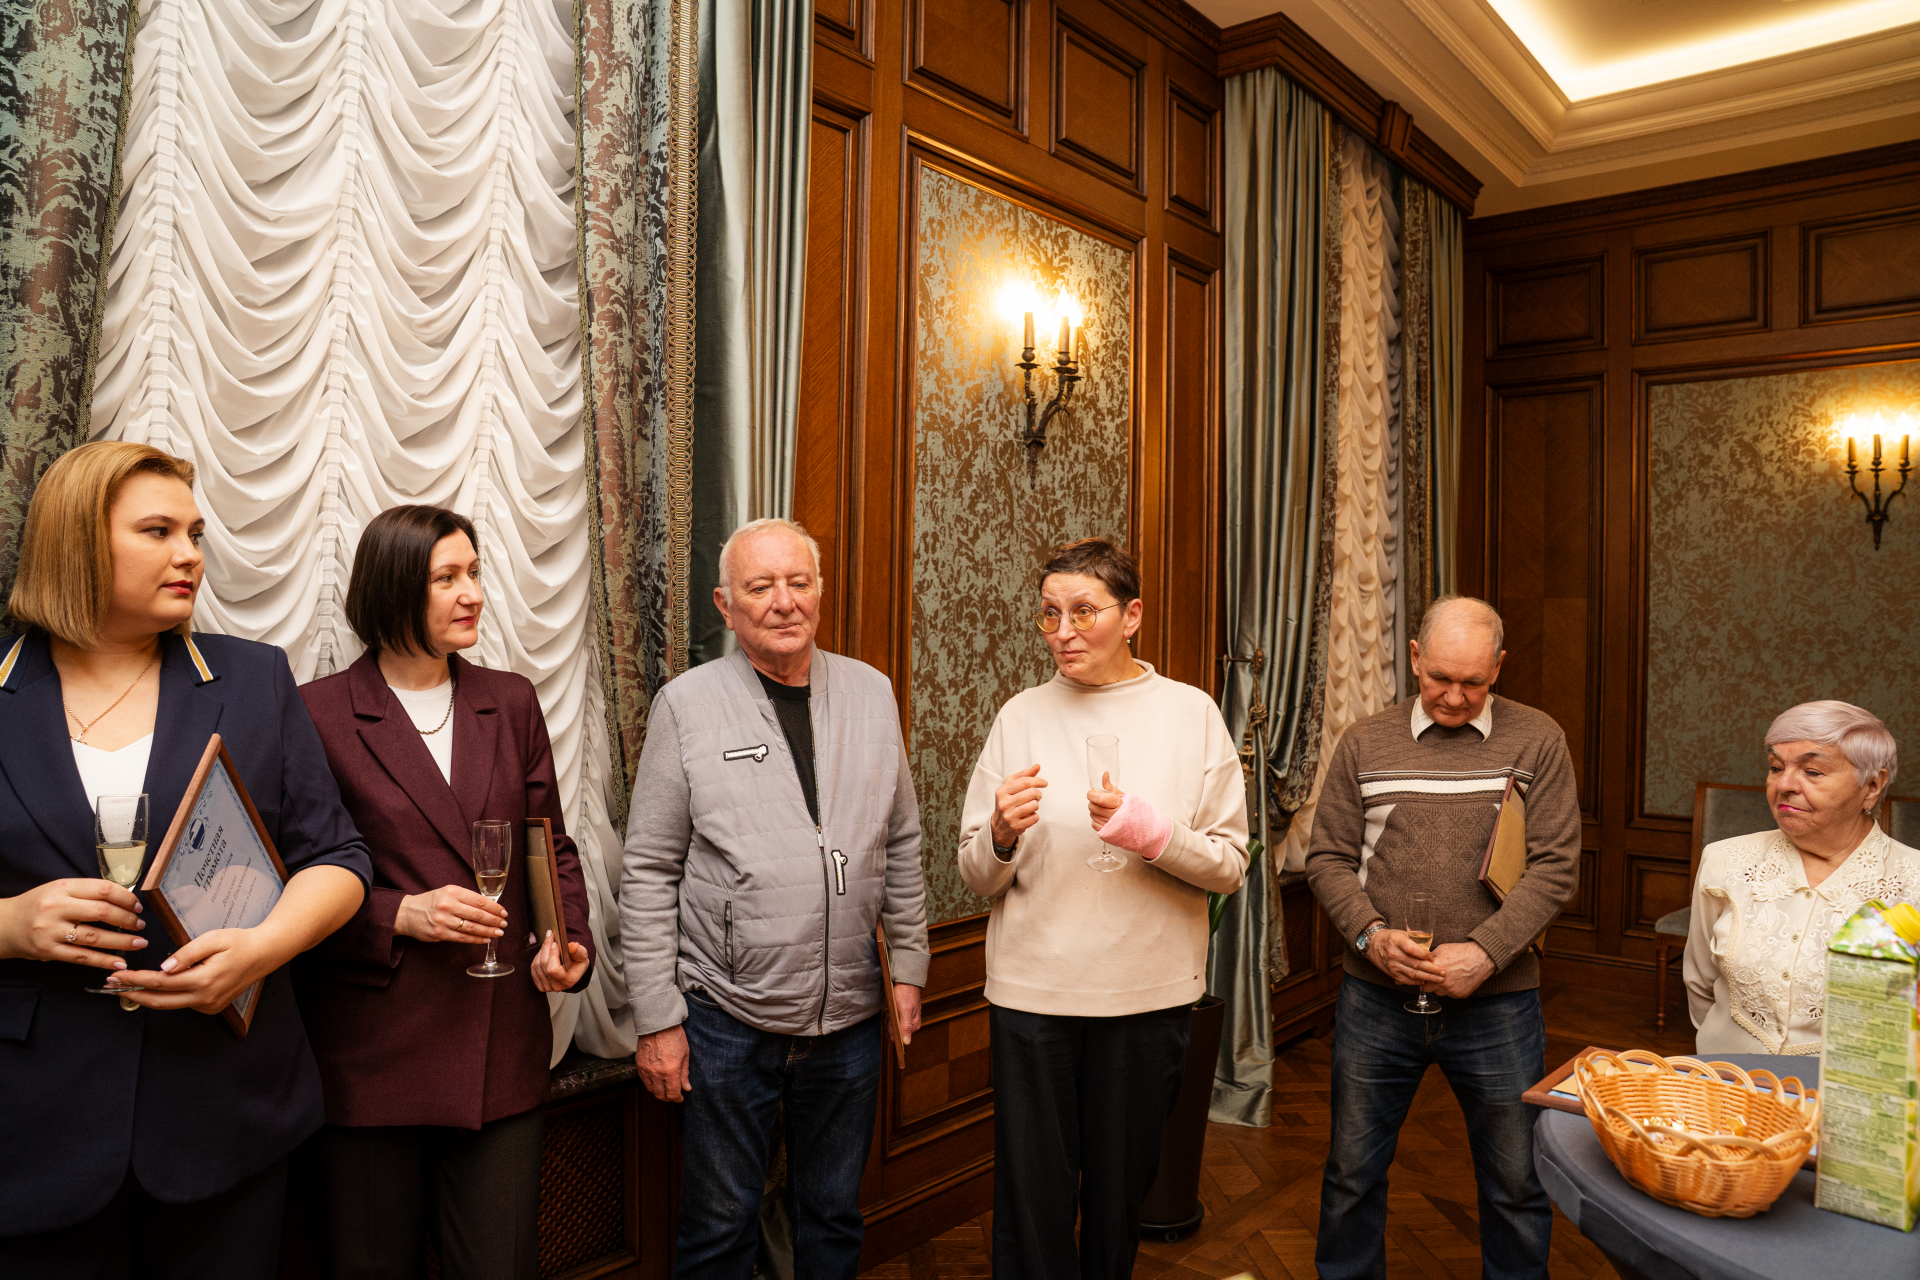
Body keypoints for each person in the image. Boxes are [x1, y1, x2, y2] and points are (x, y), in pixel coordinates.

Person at [0, 441, 371, 1277]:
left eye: (195, 533)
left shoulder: (254, 679)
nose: (191, 555)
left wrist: (263, 948)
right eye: (158, 531)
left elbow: (339, 858)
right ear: (74, 541)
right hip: (30, 1124)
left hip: (224, 1110)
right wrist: (11, 925)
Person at [619, 516, 929, 1279]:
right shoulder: (686, 706)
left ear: (820, 590)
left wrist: (910, 970)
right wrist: (656, 1018)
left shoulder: (872, 692)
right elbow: (649, 869)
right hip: (727, 1020)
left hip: (851, 1017)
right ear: (725, 605)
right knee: (720, 1227)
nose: (784, 602)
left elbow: (902, 842)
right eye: (761, 587)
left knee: (833, 1217)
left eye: (799, 582)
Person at [296, 505, 595, 1280]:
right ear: (394, 587)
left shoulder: (511, 700)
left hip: (500, 1047)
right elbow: (285, 878)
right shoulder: (317, 713)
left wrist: (566, 939)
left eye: (475, 573)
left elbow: (548, 845)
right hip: (370, 1054)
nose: (474, 594)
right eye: (447, 578)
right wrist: (400, 913)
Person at [956, 537, 1248, 1279]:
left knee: (1118, 1202)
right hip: (1033, 996)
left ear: (1132, 616)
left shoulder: (1191, 714)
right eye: (1049, 614)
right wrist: (999, 834)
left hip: (1144, 998)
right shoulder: (1020, 716)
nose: (1063, 632)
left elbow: (1229, 866)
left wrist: (1151, 833)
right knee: (1032, 1203)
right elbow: (975, 875)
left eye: (1084, 611)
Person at [1304, 595, 1579, 1280]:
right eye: (1440, 679)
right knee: (1350, 1176)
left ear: (1499, 668)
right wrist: (1371, 938)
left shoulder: (1538, 739)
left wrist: (1485, 954)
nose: (1455, 697)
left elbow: (1556, 867)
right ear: (1415, 658)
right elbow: (1328, 859)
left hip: (1499, 1005)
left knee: (1516, 1184)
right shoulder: (1365, 742)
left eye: (1474, 682)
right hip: (1375, 1001)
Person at [1685, 701, 1917, 1056]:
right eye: (1776, 767)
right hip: (1729, 1076)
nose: (1784, 784)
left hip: (1844, 1086)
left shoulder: (1912, 880)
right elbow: (1700, 983)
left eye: (1813, 772)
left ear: (1871, 786)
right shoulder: (1724, 860)